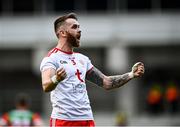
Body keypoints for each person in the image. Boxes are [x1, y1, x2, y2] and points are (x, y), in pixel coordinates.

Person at [40, 12, 145, 127]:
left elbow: (107, 83)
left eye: (79, 27)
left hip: (87, 119)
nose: (79, 30)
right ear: (63, 33)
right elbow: (46, 85)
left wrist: (131, 74)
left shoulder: (82, 59)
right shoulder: (52, 58)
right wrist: (56, 79)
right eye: (74, 27)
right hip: (64, 120)